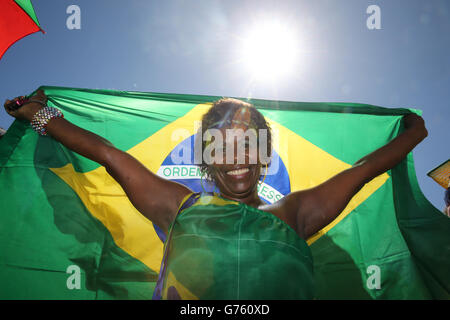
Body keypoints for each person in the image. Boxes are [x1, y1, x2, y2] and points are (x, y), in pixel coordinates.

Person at [4, 89, 428, 299]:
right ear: (207, 160)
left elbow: (365, 169)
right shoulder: (177, 207)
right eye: (221, 146)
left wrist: (416, 132)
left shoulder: (297, 212)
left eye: (249, 142)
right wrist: (40, 115)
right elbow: (107, 153)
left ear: (265, 156)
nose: (237, 156)